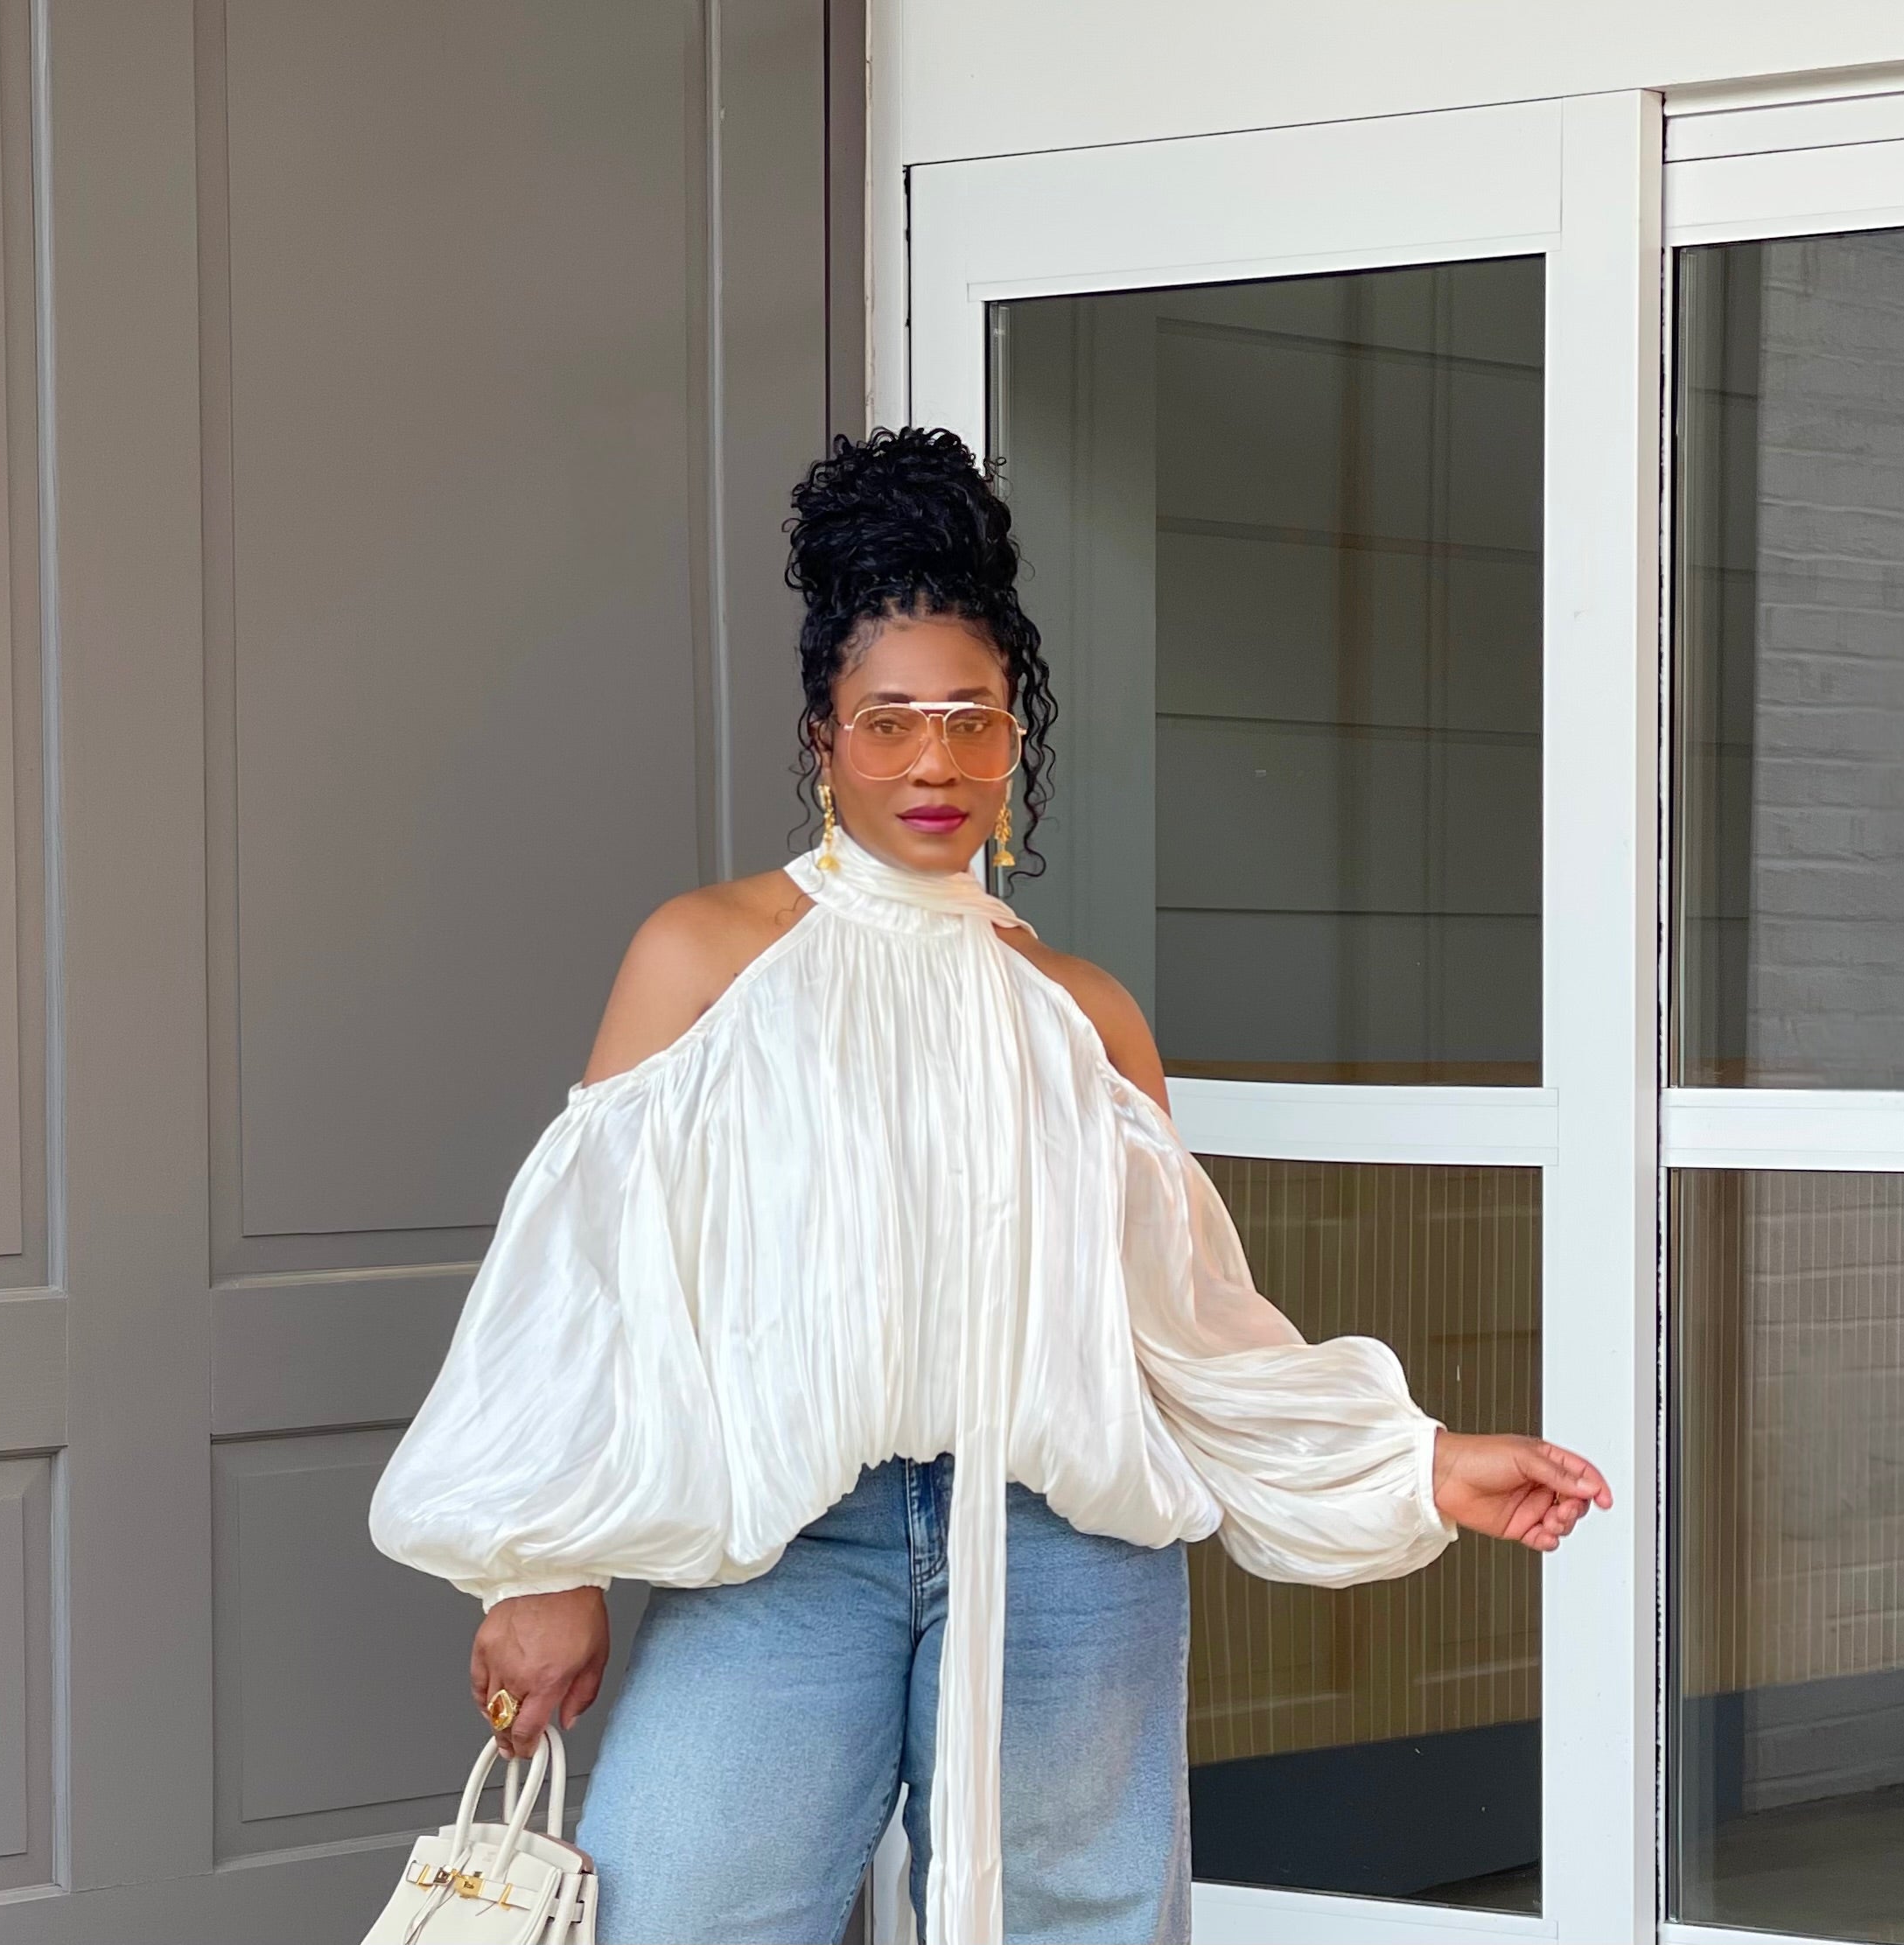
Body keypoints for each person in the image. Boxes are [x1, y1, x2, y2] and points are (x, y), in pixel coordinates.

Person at [369, 427, 1611, 1945]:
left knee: (1076, 1928)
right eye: (889, 722)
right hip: (788, 1542)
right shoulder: (705, 960)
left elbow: (1190, 1335)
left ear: (1019, 735)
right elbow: (585, 1292)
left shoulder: (1083, 1014)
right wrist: (543, 1566)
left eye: (972, 719)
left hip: (1067, 1549)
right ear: (821, 737)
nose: (935, 762)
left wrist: (1415, 1465)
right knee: (673, 1909)